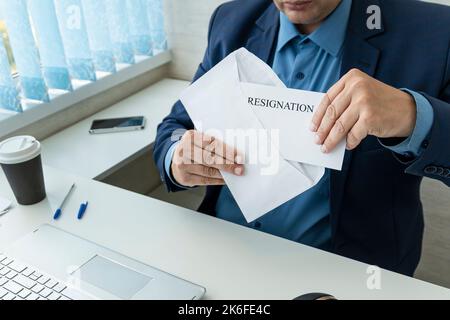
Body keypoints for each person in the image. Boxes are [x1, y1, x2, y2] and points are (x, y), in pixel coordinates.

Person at [153, 0, 450, 276]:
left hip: (344, 276)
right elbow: (177, 125)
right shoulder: (230, 19)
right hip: (221, 255)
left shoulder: (432, 32)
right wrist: (178, 155)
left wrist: (413, 117)